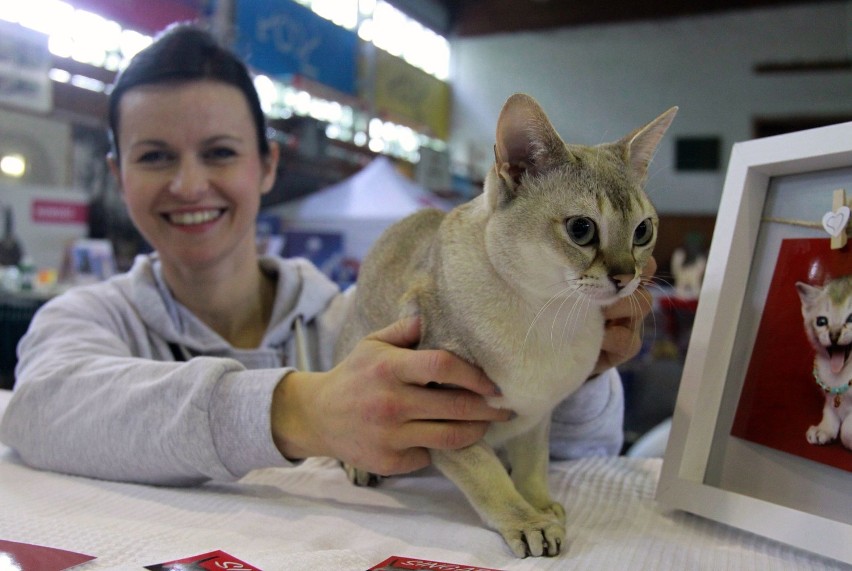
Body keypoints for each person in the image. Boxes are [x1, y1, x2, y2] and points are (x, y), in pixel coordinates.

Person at [0, 24, 653, 486]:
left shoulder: (353, 316)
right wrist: (304, 409)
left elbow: (581, 451)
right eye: (154, 156)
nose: (190, 184)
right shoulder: (88, 318)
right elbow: (38, 410)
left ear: (267, 165)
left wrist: (579, 368)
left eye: (220, 152)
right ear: (118, 177)